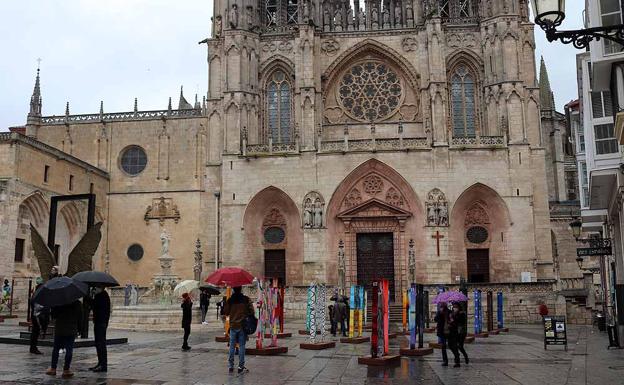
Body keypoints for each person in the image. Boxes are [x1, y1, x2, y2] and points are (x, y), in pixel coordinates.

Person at [46, 299, 82, 378]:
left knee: (56, 348)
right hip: (71, 328)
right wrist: (79, 329)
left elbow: (54, 315)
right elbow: (80, 317)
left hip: (60, 328)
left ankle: (53, 368)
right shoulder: (77, 303)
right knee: (69, 349)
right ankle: (66, 369)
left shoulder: (59, 301)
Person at [223, 286, 254, 374]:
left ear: (233, 289)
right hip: (242, 326)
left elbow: (226, 312)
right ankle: (240, 366)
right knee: (242, 346)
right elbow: (252, 311)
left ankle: (231, 366)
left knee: (232, 346)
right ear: (241, 289)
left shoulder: (230, 300)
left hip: (233, 326)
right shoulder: (246, 299)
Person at [89, 287, 110, 372]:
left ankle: (103, 365)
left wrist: (89, 298)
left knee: (101, 344)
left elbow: (95, 306)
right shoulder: (102, 295)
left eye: (95, 288)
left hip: (101, 322)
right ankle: (100, 363)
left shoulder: (102, 295)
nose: (94, 289)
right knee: (98, 343)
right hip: (99, 322)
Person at [30, 281, 50, 355]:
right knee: (35, 332)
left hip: (36, 316)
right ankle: (33, 347)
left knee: (35, 332)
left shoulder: (36, 296)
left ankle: (33, 347)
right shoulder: (38, 297)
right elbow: (38, 307)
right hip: (37, 316)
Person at [434, 302, 451, 366]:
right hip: (442, 331)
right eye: (441, 306)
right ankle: (445, 361)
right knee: (443, 347)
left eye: (442, 306)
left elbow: (452, 320)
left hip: (449, 331)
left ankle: (456, 358)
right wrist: (439, 314)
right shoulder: (439, 312)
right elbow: (435, 319)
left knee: (451, 346)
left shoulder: (449, 312)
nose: (441, 307)